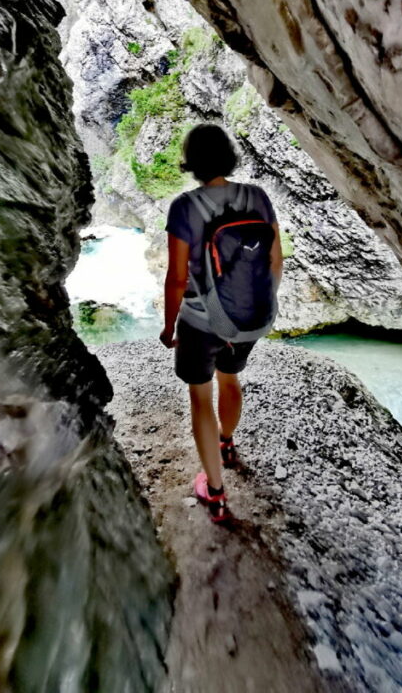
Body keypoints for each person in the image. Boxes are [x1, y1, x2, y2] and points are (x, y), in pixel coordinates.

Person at [160, 124, 283, 522]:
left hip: (201, 322)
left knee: (201, 397)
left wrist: (167, 326)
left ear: (191, 162)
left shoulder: (184, 207)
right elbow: (274, 260)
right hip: (252, 317)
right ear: (229, 155)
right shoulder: (258, 197)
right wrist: (258, 304)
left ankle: (214, 492)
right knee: (231, 379)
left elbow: (177, 277)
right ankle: (227, 444)